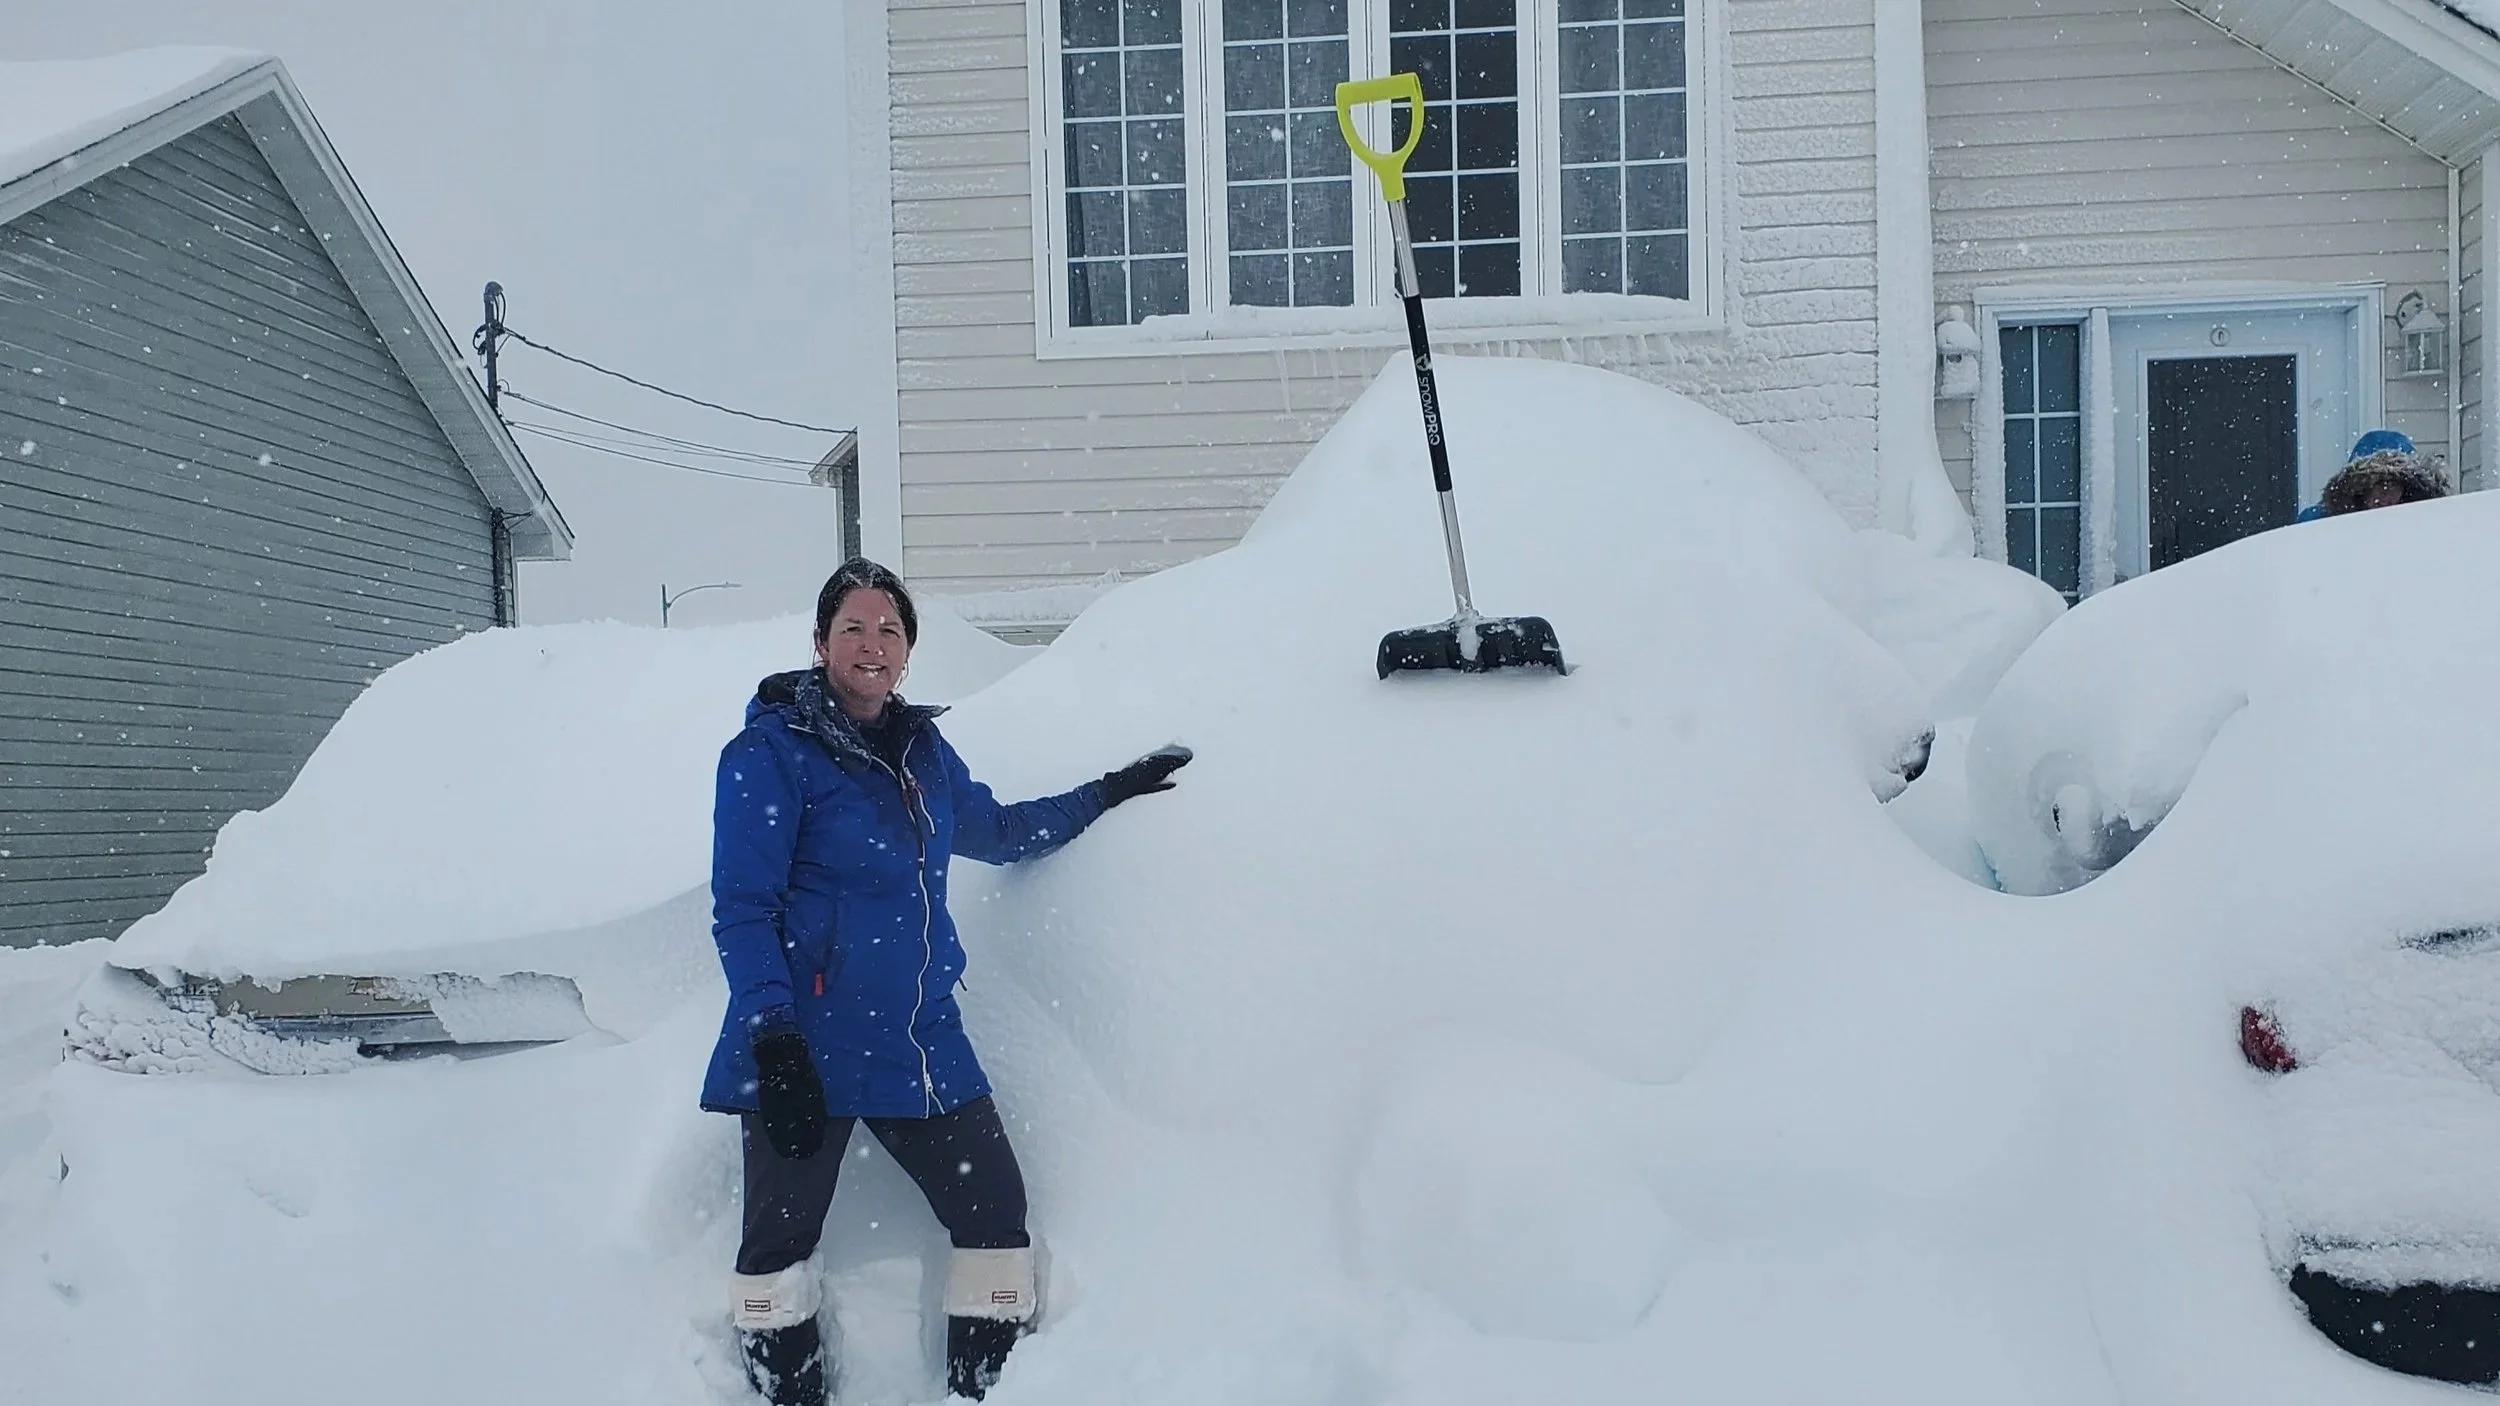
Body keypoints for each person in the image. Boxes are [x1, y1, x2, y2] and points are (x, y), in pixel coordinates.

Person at [704, 558, 1191, 1405]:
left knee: (995, 1217)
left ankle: (984, 1391)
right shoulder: (769, 753)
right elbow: (742, 909)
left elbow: (1000, 829)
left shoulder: (922, 750)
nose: (872, 643)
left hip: (918, 1045)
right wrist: (775, 1040)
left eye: (889, 629)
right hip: (804, 1048)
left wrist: (1107, 794)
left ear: (907, 652)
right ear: (819, 644)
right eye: (853, 626)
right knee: (776, 1249)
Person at [2295, 430, 2451, 520]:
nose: (2386, 491)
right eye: (2378, 482)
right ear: (2359, 487)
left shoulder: (2428, 527)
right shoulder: (2319, 524)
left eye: (2394, 483)